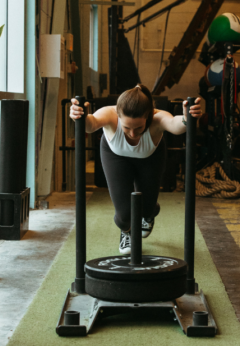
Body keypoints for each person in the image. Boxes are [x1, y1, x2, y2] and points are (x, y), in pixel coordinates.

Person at [70, 84, 202, 255]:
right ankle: (126, 232)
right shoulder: (109, 113)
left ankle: (150, 212)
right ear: (118, 114)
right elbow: (90, 124)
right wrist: (79, 116)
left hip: (150, 156)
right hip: (115, 155)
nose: (132, 134)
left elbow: (176, 125)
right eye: (126, 128)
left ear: (148, 116)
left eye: (138, 128)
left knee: (145, 208)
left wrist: (186, 118)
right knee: (125, 214)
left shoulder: (158, 118)